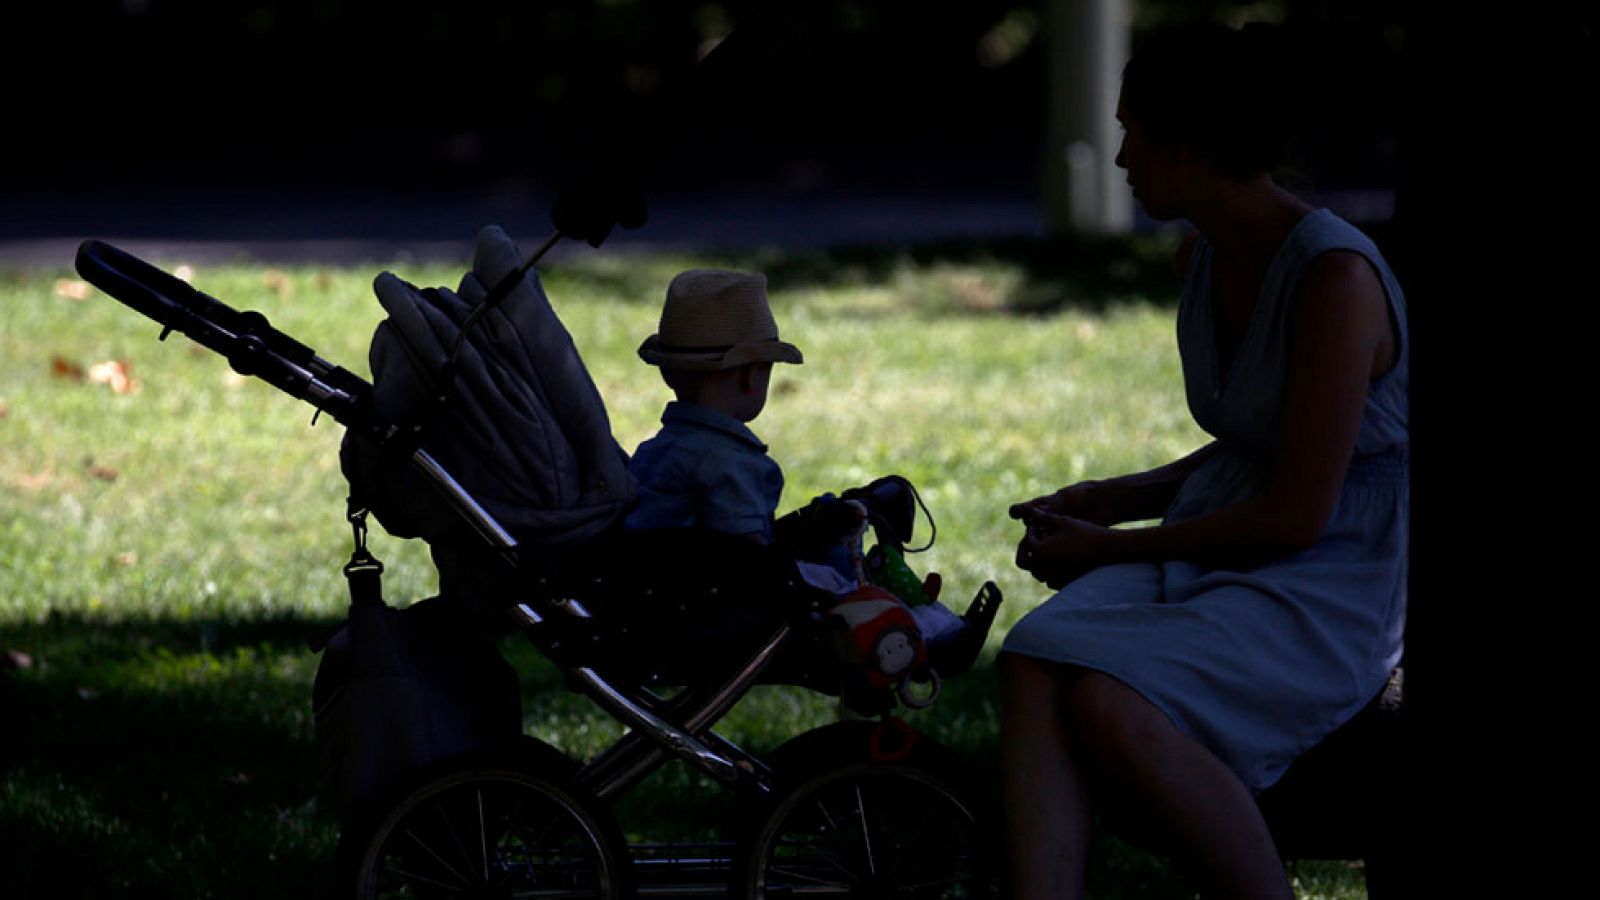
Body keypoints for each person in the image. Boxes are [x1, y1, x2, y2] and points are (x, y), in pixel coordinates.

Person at [999, 22, 1408, 900]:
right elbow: (1256, 442)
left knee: (1109, 700)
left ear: (1189, 142)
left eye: (1131, 134)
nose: (1120, 159)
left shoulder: (1334, 279)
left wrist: (1113, 548)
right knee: (1032, 656)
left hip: (1331, 570)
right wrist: (1116, 497)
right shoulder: (1204, 253)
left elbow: (1297, 511)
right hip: (1221, 532)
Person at [626, 268, 1000, 676]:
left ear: (667, 371)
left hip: (655, 600)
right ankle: (919, 632)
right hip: (713, 611)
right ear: (753, 375)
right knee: (838, 581)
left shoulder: (654, 451)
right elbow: (744, 558)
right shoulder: (729, 463)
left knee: (828, 560)